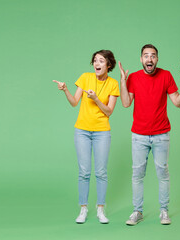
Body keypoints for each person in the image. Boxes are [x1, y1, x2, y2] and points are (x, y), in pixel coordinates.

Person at [119, 44, 180, 226]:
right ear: (141, 59)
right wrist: (122, 82)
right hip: (139, 135)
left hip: (161, 135)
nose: (149, 59)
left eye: (153, 56)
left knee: (162, 174)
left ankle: (164, 211)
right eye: (146, 56)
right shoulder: (133, 77)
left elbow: (177, 102)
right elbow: (125, 103)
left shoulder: (166, 76)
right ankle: (137, 212)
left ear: (157, 59)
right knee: (137, 175)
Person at [53, 50, 120, 224]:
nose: (97, 63)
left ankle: (100, 209)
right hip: (82, 131)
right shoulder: (85, 77)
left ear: (109, 65)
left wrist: (96, 99)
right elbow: (75, 102)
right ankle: (83, 209)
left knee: (101, 172)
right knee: (84, 172)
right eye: (95, 60)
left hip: (102, 132)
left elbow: (109, 111)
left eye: (101, 61)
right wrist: (66, 90)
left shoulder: (113, 84)